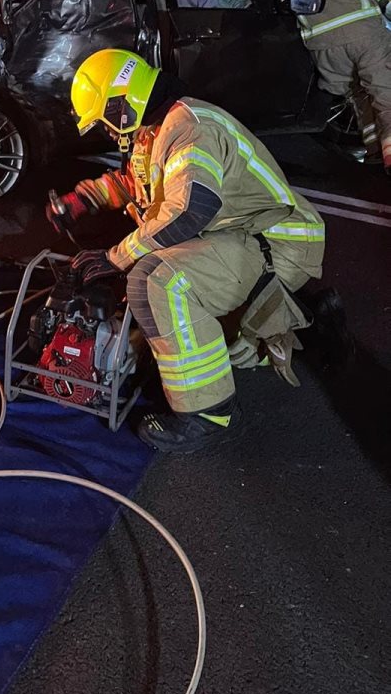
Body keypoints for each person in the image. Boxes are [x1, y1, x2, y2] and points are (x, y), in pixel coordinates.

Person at [47, 48, 325, 452]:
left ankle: (208, 412)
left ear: (121, 106)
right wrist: (83, 199)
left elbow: (191, 210)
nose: (106, 132)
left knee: (157, 282)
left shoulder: (190, 128)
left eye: (104, 120)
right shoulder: (158, 129)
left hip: (274, 244)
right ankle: (305, 328)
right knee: (216, 338)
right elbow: (136, 183)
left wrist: (115, 257)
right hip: (241, 235)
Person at [256, 0, 391, 176]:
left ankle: (375, 152)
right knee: (385, 93)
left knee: (357, 93)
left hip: (322, 44)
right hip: (364, 30)